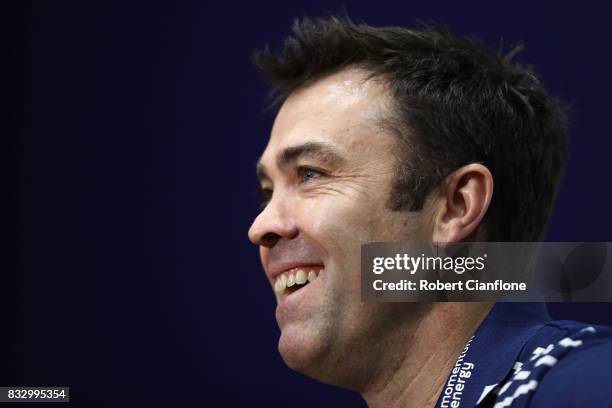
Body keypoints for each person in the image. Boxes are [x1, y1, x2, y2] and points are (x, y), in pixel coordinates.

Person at [247, 16, 612, 407]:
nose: (260, 227)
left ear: (456, 207)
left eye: (309, 174)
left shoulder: (588, 384)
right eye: (268, 192)